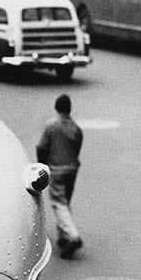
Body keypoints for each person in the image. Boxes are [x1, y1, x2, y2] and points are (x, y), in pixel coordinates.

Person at [36, 94, 84, 259]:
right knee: (65, 202)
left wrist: (43, 165)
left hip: (56, 169)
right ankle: (63, 237)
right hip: (72, 169)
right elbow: (77, 148)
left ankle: (72, 236)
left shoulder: (51, 126)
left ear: (56, 108)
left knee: (58, 203)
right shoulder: (76, 128)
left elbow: (41, 147)